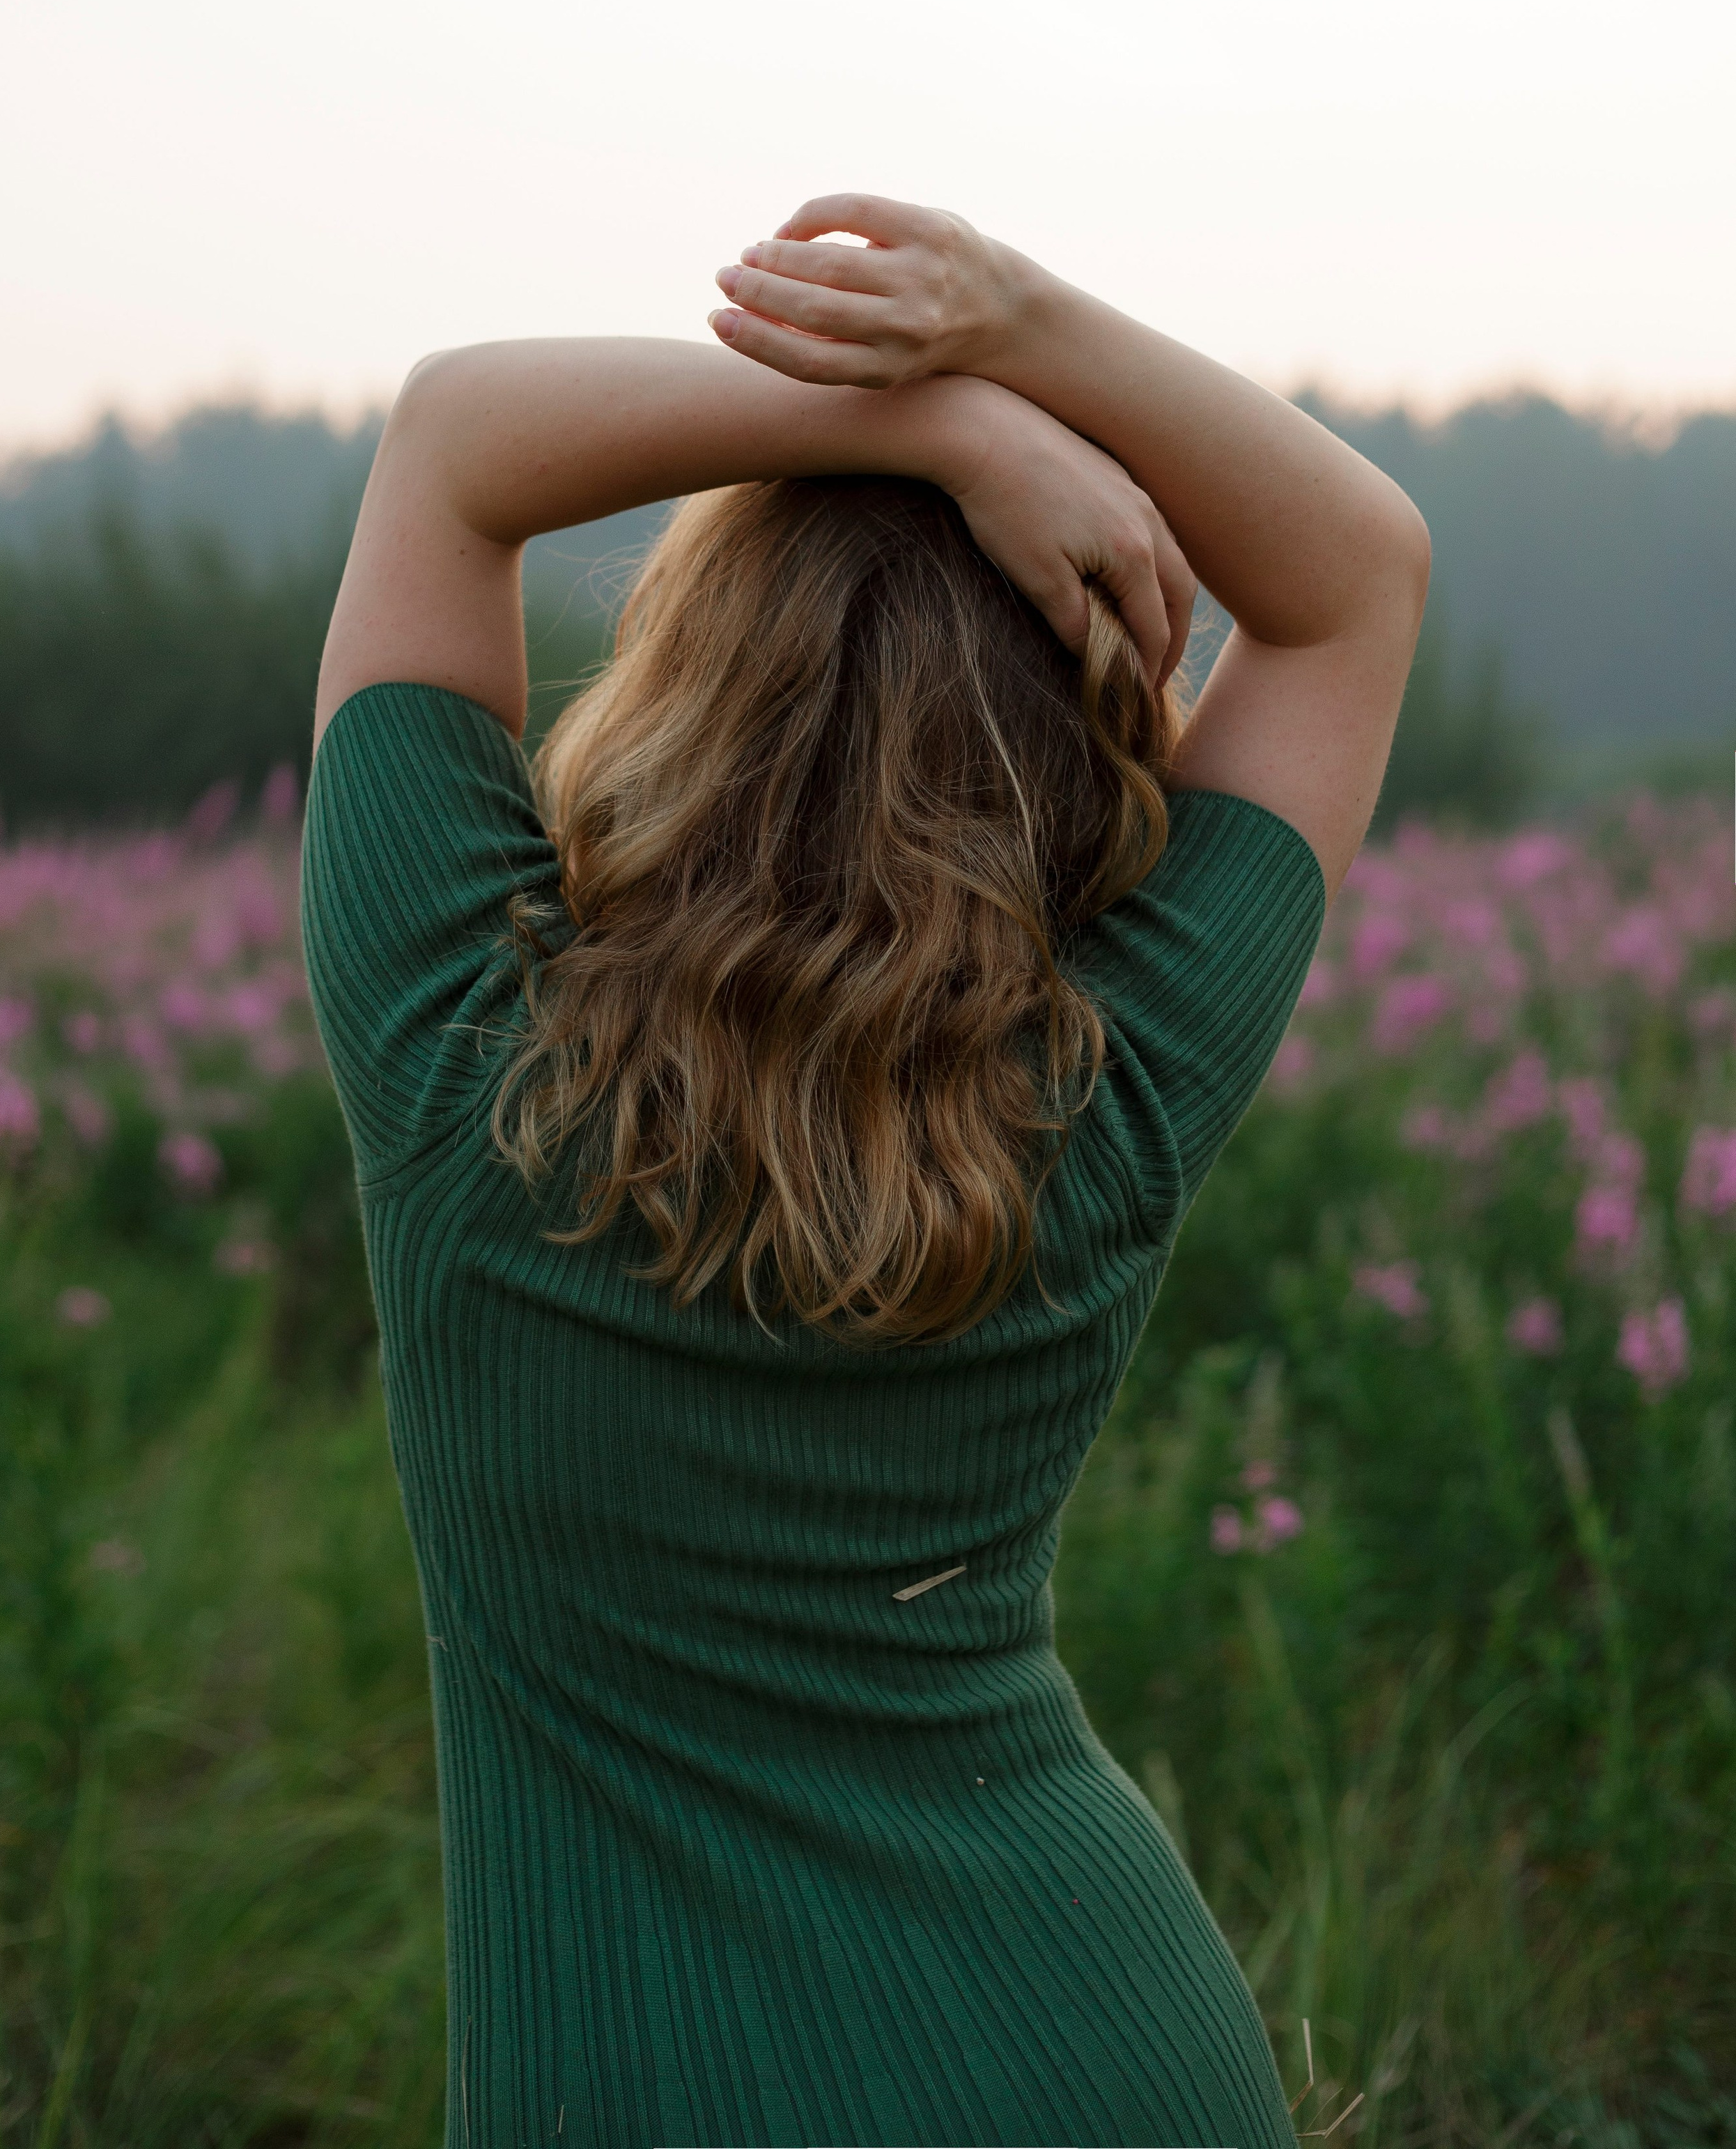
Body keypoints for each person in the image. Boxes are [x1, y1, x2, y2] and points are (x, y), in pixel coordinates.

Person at [301, 194, 1429, 2148]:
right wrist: (1015, 331)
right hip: (1110, 2051)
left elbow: (452, 440)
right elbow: (1359, 574)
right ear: (1082, 738)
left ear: (684, 684)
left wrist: (917, 432)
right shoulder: (1111, 1082)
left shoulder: (453, 1066)